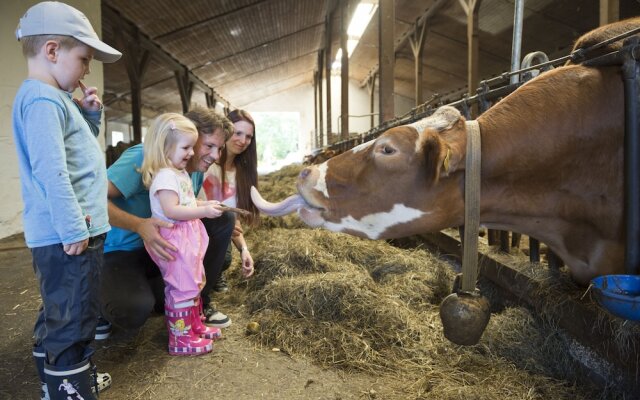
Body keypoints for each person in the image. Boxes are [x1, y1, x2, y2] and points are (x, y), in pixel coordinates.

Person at [12, 2, 122, 399]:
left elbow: (74, 153)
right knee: (75, 319)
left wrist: (90, 116)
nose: (87, 70)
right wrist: (75, 226)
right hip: (72, 234)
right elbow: (52, 171)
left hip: (67, 233)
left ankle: (55, 382)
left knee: (59, 312)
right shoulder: (43, 102)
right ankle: (70, 390)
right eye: (84, 59)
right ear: (53, 51)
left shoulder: (53, 99)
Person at [100, 106, 236, 335]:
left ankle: (196, 302)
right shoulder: (143, 157)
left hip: (164, 248)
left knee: (224, 219)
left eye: (220, 148)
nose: (215, 156)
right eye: (209, 146)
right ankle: (93, 299)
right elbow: (93, 200)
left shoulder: (191, 166)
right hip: (123, 249)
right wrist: (139, 225)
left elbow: (189, 205)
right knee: (131, 310)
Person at [139, 113, 223, 355]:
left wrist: (200, 202)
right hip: (174, 240)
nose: (190, 153)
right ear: (165, 147)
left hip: (186, 237)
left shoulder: (179, 172)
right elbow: (171, 210)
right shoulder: (165, 176)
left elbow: (184, 200)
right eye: (186, 147)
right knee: (181, 286)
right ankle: (180, 337)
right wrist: (203, 210)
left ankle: (193, 325)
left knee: (192, 281)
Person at [202, 109, 259, 289]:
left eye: (248, 136)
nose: (243, 141)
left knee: (225, 258)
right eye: (238, 133)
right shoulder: (205, 164)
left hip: (218, 229)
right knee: (223, 254)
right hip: (193, 225)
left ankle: (214, 272)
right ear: (225, 131)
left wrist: (244, 249)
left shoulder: (241, 174)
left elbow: (232, 222)